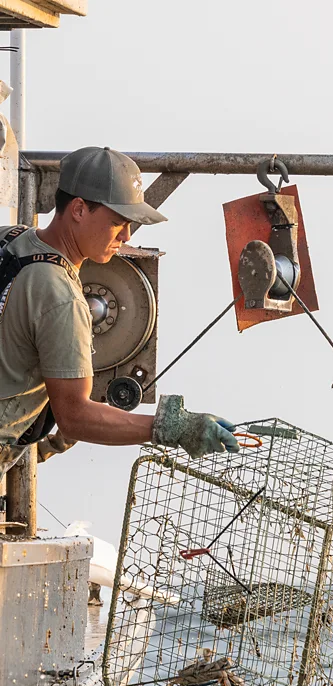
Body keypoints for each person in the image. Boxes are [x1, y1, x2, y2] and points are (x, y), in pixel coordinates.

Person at [0, 146, 239, 480]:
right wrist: (174, 427)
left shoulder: (11, 240)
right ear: (79, 209)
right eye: (116, 223)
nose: (126, 236)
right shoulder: (61, 298)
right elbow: (75, 416)